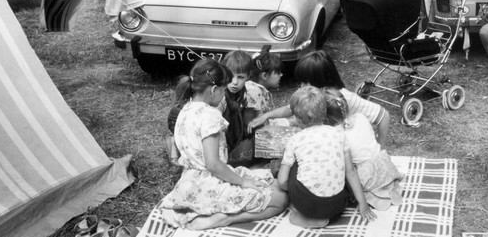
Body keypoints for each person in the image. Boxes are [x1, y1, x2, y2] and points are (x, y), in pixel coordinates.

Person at [157, 60, 288, 231]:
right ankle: (223, 219)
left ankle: (209, 212)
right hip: (209, 183)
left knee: (264, 180)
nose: (224, 94)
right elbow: (213, 164)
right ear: (213, 90)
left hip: (188, 182)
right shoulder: (210, 115)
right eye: (223, 89)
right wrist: (242, 182)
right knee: (280, 199)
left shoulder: (185, 109)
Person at [277, 86, 376, 228]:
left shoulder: (295, 139)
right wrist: (363, 203)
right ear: (324, 112)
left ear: (298, 118)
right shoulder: (340, 135)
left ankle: (307, 215)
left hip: (307, 203)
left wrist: (293, 193)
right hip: (337, 204)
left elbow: (282, 181)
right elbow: (351, 172)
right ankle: (321, 215)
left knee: (291, 165)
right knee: (341, 168)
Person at [324, 88, 403, 211]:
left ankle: (361, 194)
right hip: (385, 165)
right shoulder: (360, 117)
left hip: (367, 176)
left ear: (325, 118)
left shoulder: (334, 134)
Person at [295, 51, 391, 148]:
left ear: (321, 82)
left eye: (306, 82)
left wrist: (381, 148)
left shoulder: (342, 98)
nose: (301, 86)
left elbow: (384, 116)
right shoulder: (316, 98)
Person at [220, 50, 258, 167]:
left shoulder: (248, 93)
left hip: (235, 139)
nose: (234, 82)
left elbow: (249, 127)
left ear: (248, 76)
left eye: (240, 77)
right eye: (230, 77)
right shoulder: (218, 96)